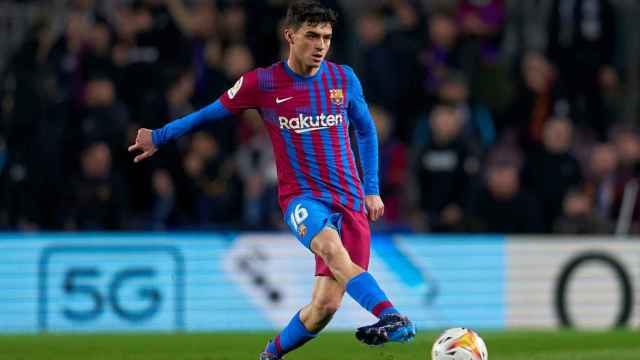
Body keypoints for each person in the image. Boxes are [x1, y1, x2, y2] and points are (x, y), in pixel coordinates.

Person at [127, 1, 416, 359]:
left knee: (324, 307)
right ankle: (391, 315)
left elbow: (367, 131)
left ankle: (270, 355)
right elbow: (210, 112)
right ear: (290, 35)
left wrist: (371, 189)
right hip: (303, 200)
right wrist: (159, 136)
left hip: (350, 201)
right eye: (312, 36)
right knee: (330, 249)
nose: (321, 44)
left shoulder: (343, 78)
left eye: (326, 37)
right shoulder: (261, 82)